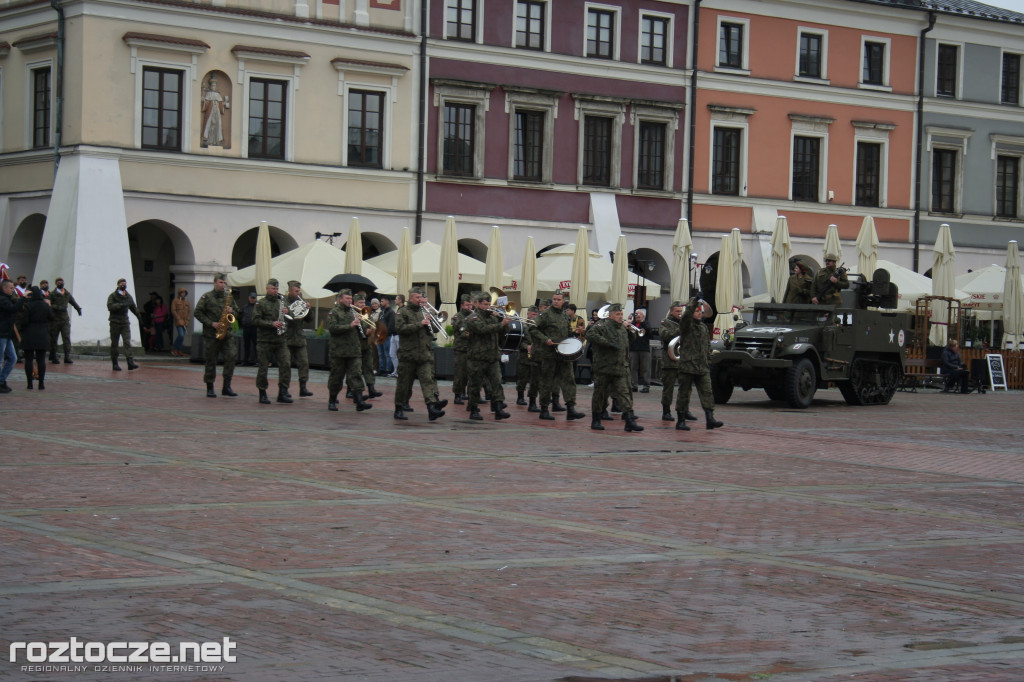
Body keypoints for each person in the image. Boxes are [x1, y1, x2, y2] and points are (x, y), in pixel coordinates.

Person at [587, 302, 643, 432]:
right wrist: (607, 343)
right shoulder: (602, 325)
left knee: (624, 394)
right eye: (617, 314)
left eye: (621, 314)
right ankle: (596, 420)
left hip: (620, 368)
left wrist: (630, 330)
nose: (620, 316)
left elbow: (631, 339)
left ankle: (629, 420)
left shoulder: (622, 327)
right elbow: (590, 335)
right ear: (611, 315)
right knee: (599, 395)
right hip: (604, 368)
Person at [392, 287, 446, 421]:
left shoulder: (424, 311)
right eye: (417, 297)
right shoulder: (403, 312)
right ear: (411, 298)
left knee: (428, 381)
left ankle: (431, 408)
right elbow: (400, 329)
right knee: (404, 384)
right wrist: (419, 324)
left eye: (421, 297)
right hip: (408, 354)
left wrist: (432, 320)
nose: (420, 300)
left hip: (424, 354)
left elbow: (434, 329)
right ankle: (399, 408)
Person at [533, 290, 585, 421]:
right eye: (554, 299)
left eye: (558, 299)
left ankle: (571, 409)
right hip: (549, 354)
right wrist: (545, 339)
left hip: (563, 354)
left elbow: (567, 332)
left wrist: (575, 333)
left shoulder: (564, 316)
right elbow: (533, 328)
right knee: (547, 382)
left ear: (563, 301)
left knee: (569, 380)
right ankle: (544, 409)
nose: (555, 301)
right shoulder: (545, 314)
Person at [675, 297, 724, 431]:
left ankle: (710, 418)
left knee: (707, 393)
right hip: (688, 365)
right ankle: (680, 420)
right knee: (684, 394)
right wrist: (695, 301)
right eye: (697, 311)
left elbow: (707, 345)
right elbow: (685, 316)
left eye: (700, 311)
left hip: (702, 366)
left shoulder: (702, 327)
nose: (699, 313)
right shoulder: (686, 324)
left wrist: (708, 359)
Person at [464, 291, 511, 420]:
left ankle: (498, 408)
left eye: (489, 304)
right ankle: (473, 409)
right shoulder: (472, 318)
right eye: (485, 304)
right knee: (475, 385)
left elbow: (505, 331)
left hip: (492, 356)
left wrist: (502, 319)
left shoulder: (492, 317)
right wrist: (499, 324)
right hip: (478, 357)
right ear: (478, 304)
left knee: (497, 383)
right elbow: (482, 329)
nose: (488, 307)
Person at [193, 273, 240, 397]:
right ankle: (210, 386)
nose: (222, 285)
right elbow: (197, 313)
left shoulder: (228, 297)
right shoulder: (206, 297)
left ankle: (227, 386)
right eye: (220, 282)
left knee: (231, 357)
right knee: (211, 361)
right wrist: (211, 323)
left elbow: (237, 312)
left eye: (224, 283)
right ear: (214, 283)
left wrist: (232, 311)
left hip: (227, 334)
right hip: (211, 335)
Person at [325, 289, 372, 412]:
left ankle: (359, 401)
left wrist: (362, 324)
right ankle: (332, 400)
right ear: (340, 299)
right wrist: (349, 325)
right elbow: (333, 328)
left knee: (356, 374)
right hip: (339, 351)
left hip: (354, 350)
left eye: (350, 299)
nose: (349, 301)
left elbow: (363, 328)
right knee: (336, 376)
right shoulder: (334, 312)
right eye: (347, 299)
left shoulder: (354, 311)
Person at [253, 278, 291, 404]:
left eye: (277, 289)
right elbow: (256, 320)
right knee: (263, 367)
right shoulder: (261, 303)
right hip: (265, 340)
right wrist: (271, 324)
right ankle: (262, 393)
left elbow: (290, 318)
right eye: (273, 288)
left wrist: (287, 312)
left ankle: (283, 392)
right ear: (267, 289)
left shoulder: (281, 302)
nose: (275, 291)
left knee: (285, 364)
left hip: (280, 339)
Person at [658, 301, 697, 423]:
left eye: (681, 311)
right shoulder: (665, 323)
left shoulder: (685, 323)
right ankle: (666, 411)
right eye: (677, 311)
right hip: (670, 361)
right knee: (668, 388)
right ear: (671, 311)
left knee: (685, 388)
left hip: (684, 360)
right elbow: (665, 335)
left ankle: (684, 411)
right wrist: (680, 329)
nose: (680, 314)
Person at [283, 280, 314, 397]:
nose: (298, 293)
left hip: (299, 338)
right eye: (296, 291)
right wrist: (287, 311)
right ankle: (284, 389)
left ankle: (303, 387)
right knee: (286, 364)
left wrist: (308, 309)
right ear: (290, 290)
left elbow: (309, 320)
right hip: (287, 338)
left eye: (299, 291)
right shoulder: (283, 302)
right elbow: (286, 317)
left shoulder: (301, 301)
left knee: (304, 363)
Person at [21, 286, 54, 390]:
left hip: (30, 333)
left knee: (29, 359)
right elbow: (52, 317)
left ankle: (29, 383)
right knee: (41, 360)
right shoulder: (45, 305)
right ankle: (41, 383)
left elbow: (24, 321)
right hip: (42, 333)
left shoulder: (28, 305)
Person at [353, 294, 383, 400]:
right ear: (355, 303)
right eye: (360, 303)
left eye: (364, 303)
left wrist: (371, 329)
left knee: (369, 367)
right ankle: (351, 391)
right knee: (354, 369)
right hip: (355, 344)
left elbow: (371, 323)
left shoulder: (365, 312)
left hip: (366, 344)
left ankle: (371, 389)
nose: (363, 305)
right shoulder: (352, 312)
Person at [46, 277, 82, 365]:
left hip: (65, 319)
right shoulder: (53, 294)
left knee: (66, 337)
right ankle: (53, 355)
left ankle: (67, 356)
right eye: (58, 282)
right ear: (56, 284)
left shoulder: (66, 293)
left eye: (61, 282)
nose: (60, 283)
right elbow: (49, 304)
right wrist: (58, 308)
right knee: (54, 338)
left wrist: (78, 309)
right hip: (55, 319)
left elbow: (73, 301)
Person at [106, 278, 140, 371]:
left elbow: (133, 307)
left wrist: (139, 317)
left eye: (124, 283)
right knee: (115, 343)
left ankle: (130, 362)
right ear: (118, 285)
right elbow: (110, 307)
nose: (123, 285)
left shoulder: (128, 296)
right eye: (121, 283)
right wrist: (120, 305)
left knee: (127, 342)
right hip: (115, 322)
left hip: (125, 322)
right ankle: (115, 363)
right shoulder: (113, 296)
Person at [0, 278, 24, 393]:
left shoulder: (8, 298)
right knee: (0, 360)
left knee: (13, 358)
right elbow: (13, 309)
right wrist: (23, 298)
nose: (12, 290)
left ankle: (1, 380)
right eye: (11, 288)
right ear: (4, 288)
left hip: (7, 334)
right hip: (1, 334)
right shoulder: (2, 299)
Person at [516, 306, 541, 410]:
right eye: (533, 315)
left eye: (536, 315)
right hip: (524, 356)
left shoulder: (538, 327)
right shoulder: (523, 326)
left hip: (536, 357)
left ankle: (532, 401)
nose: (534, 317)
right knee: (522, 378)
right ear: (528, 314)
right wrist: (527, 347)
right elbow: (518, 342)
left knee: (535, 381)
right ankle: (520, 397)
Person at [451, 294, 474, 404]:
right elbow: (463, 332)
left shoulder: (473, 316)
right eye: (467, 305)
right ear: (461, 305)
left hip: (471, 348)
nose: (469, 307)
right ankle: (458, 394)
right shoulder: (457, 317)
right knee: (460, 373)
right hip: (461, 348)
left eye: (471, 305)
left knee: (471, 373)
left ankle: (470, 394)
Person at [628, 308, 651, 392]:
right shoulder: (632, 324)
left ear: (643, 316)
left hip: (644, 349)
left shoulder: (646, 323)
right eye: (636, 314)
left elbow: (650, 332)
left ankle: (646, 386)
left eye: (639, 314)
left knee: (646, 368)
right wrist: (629, 321)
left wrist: (642, 322)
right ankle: (634, 385)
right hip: (633, 348)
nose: (637, 316)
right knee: (633, 368)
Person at [201, 75, 227, 147]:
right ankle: (209, 140)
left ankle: (216, 140)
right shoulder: (208, 93)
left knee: (217, 125)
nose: (213, 87)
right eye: (212, 86)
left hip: (216, 113)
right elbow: (206, 104)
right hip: (210, 112)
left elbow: (220, 104)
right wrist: (204, 101)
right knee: (209, 125)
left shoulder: (218, 94)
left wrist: (223, 104)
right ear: (210, 86)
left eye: (214, 86)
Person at [376, 295, 396, 376]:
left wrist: (386, 333)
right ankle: (381, 369)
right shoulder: (382, 312)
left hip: (386, 336)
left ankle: (388, 370)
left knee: (387, 353)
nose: (381, 303)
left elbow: (391, 325)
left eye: (382, 301)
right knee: (381, 353)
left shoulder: (391, 312)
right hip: (380, 336)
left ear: (387, 301)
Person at [170, 287, 191, 357]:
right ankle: (175, 348)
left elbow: (188, 312)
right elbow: (173, 310)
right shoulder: (175, 301)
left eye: (184, 293)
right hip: (179, 320)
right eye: (182, 292)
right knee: (181, 334)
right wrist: (178, 318)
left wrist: (187, 319)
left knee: (182, 336)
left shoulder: (187, 301)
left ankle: (179, 350)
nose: (183, 294)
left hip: (185, 321)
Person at [240, 291, 258, 365]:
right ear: (249, 298)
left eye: (253, 298)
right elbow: (241, 315)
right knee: (246, 345)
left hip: (255, 328)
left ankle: (256, 361)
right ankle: (245, 361)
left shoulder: (257, 307)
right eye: (251, 298)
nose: (252, 299)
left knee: (256, 345)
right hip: (246, 328)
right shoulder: (245, 306)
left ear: (256, 299)